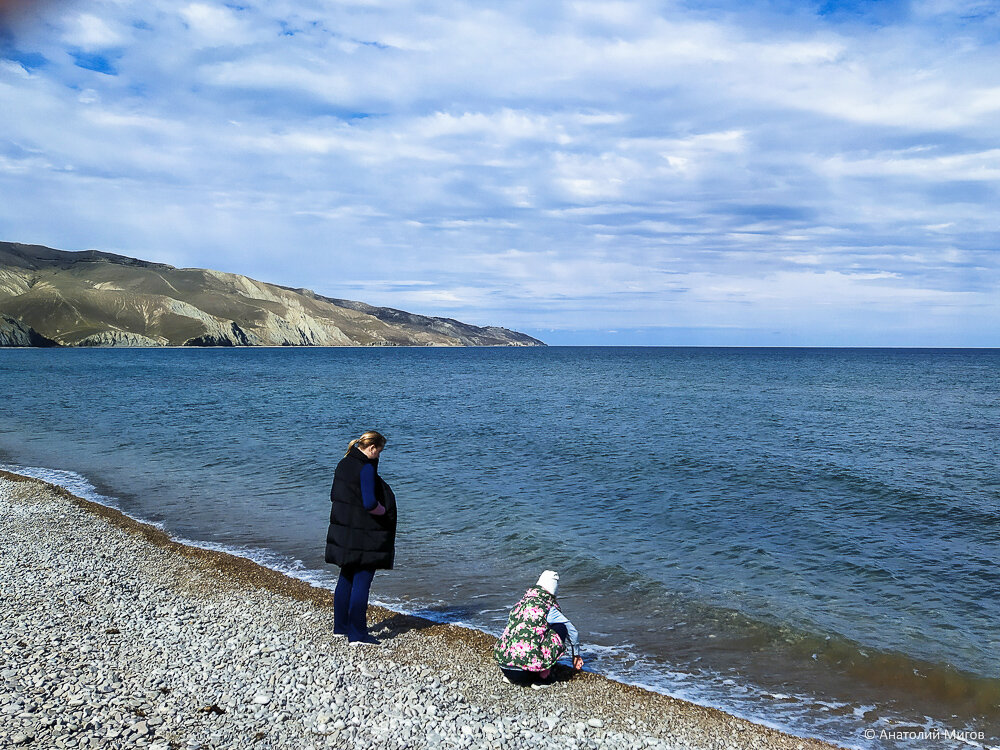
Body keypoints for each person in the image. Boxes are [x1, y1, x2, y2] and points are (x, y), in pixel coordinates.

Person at [325, 430, 396, 645]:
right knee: (362, 580)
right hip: (363, 534)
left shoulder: (343, 463)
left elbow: (337, 496)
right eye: (379, 452)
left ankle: (341, 627)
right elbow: (369, 503)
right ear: (372, 448)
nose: (379, 457)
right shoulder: (365, 468)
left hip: (344, 531)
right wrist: (383, 511)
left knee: (346, 576)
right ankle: (357, 634)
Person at [493, 570, 584, 686]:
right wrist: (576, 655)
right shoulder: (547, 607)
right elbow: (572, 632)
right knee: (561, 627)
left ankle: (513, 677)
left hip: (504, 666)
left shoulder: (520, 604)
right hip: (525, 673)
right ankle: (542, 676)